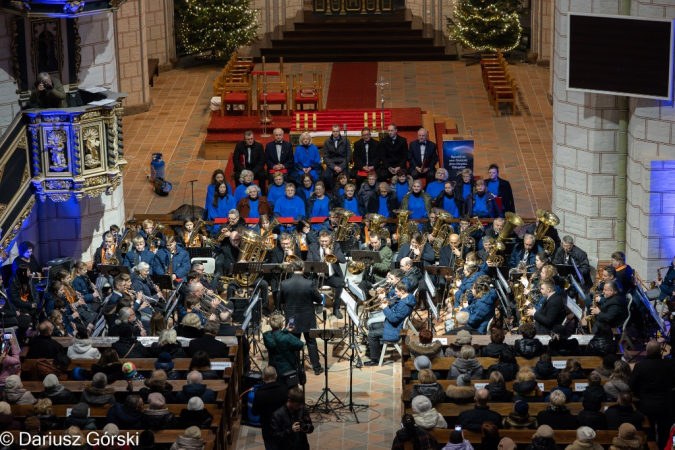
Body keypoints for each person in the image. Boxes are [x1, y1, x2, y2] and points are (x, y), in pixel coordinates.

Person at [279, 260, 323, 375]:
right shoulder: (309, 283)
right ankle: (317, 368)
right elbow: (319, 299)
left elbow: (280, 301)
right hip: (307, 317)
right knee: (311, 342)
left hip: (292, 318)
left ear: (292, 269)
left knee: (294, 342)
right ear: (303, 269)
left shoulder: (284, 283)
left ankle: (295, 368)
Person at [630, 340, 675, 446]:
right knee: (664, 432)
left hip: (646, 404)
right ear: (660, 351)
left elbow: (631, 385)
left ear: (647, 352)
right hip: (665, 404)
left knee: (649, 433)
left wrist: (639, 393)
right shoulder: (669, 365)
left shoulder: (640, 366)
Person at [364, 281, 415, 366]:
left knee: (371, 335)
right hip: (393, 325)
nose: (395, 293)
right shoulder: (406, 298)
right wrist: (386, 303)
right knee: (373, 326)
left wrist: (385, 308)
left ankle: (375, 359)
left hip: (395, 329)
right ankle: (376, 349)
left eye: (396, 292)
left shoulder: (404, 304)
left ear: (402, 291)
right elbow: (395, 311)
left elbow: (393, 319)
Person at [307, 231, 347, 319]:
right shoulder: (312, 247)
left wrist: (331, 254)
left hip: (332, 275)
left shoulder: (336, 246)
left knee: (341, 283)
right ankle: (319, 303)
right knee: (310, 284)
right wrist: (319, 264)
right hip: (318, 276)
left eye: (326, 241)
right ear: (319, 240)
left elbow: (343, 260)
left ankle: (336, 308)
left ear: (330, 240)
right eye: (322, 241)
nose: (324, 243)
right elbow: (309, 260)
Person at [251, 366, 288, 449]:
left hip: (268, 427)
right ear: (276, 376)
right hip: (283, 426)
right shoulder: (284, 389)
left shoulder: (259, 394)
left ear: (263, 377)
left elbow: (254, 412)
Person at [263, 314, 305, 385]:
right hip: (287, 368)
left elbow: (277, 335)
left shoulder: (266, 336)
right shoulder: (287, 337)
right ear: (281, 325)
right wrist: (287, 332)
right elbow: (300, 344)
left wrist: (286, 330)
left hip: (274, 368)